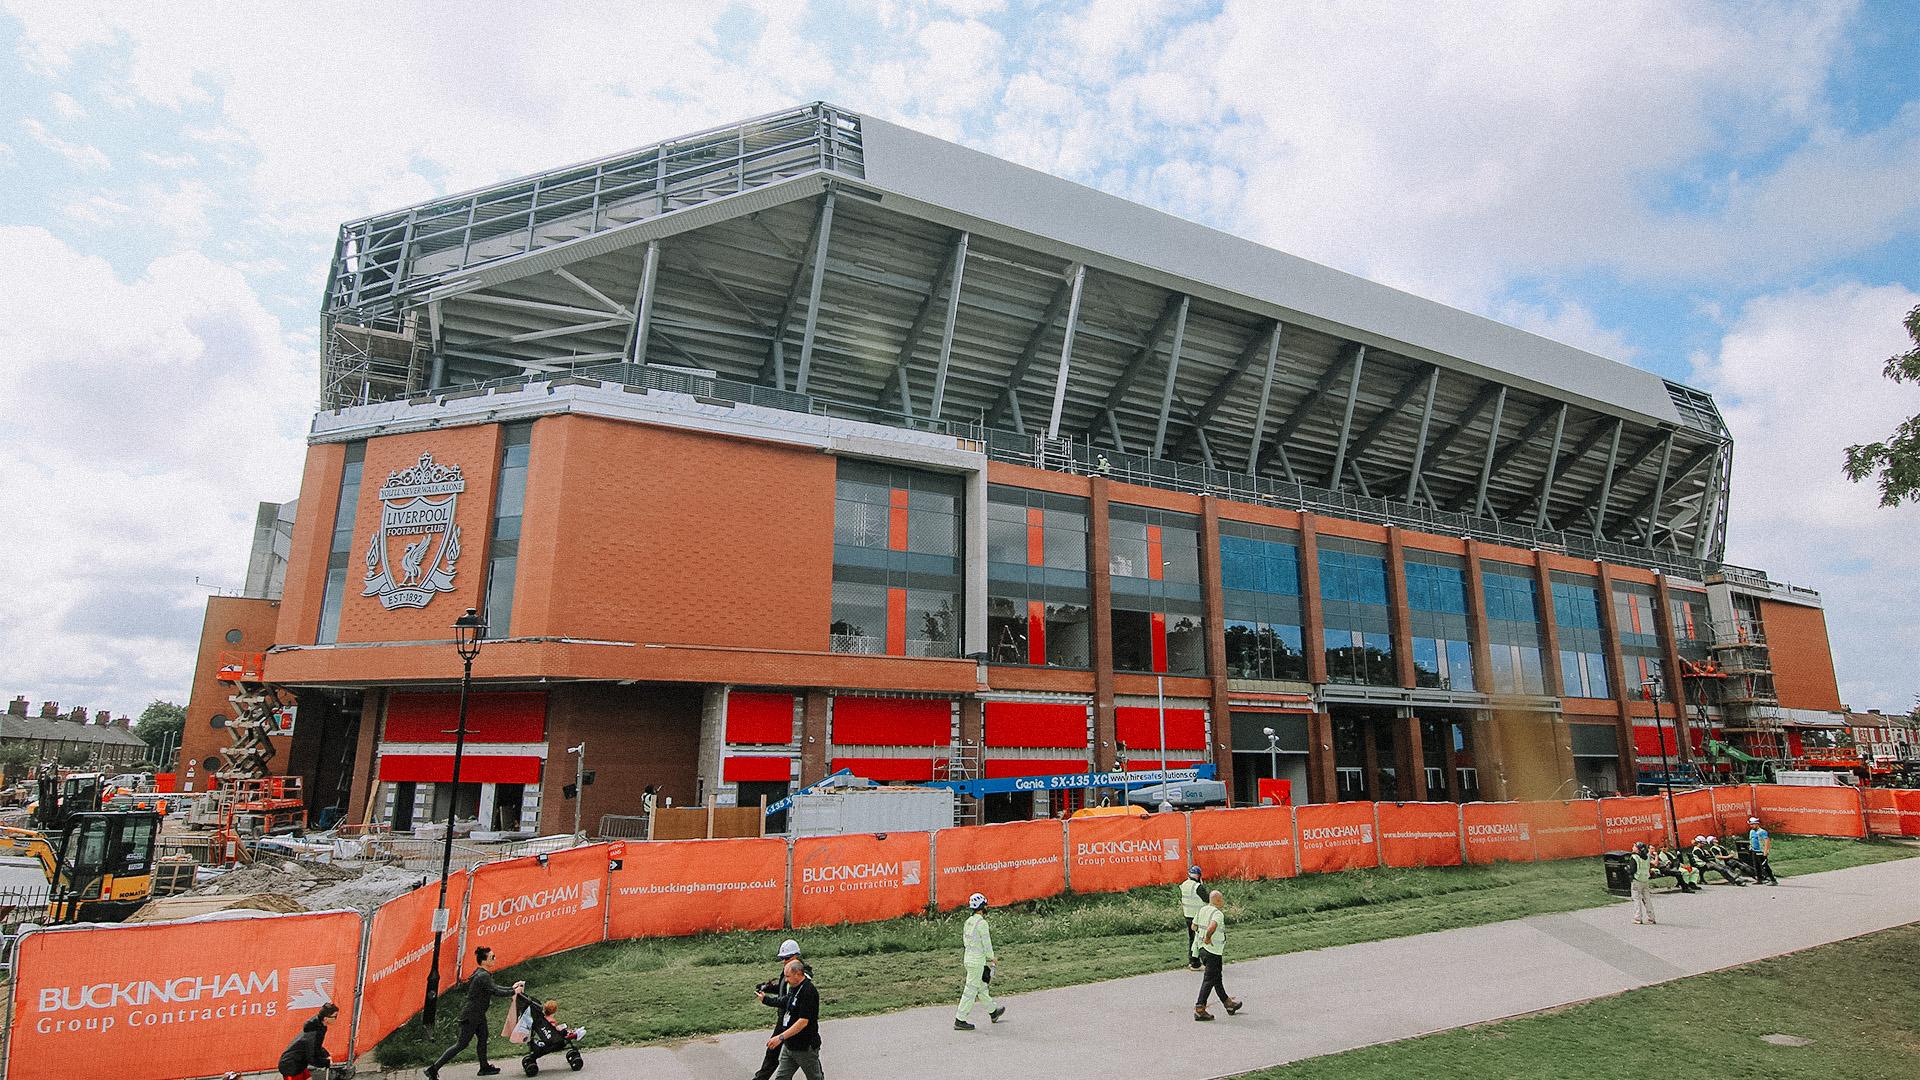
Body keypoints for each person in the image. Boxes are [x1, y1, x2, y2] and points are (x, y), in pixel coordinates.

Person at [426, 946, 525, 1079]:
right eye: (492, 957)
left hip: (478, 1014)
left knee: (483, 1038)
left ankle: (484, 1067)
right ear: (484, 961)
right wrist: (513, 991)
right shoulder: (483, 976)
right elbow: (496, 991)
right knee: (461, 1044)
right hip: (471, 1015)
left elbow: (493, 988)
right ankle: (433, 1069)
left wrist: (512, 988)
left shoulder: (482, 973)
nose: (494, 959)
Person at [753, 940, 812, 1080]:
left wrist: (767, 1000)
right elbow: (782, 988)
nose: (784, 961)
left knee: (806, 1056)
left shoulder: (801, 977)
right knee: (773, 1050)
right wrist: (767, 987)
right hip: (784, 1017)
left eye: (787, 958)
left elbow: (787, 999)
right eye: (782, 959)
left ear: (796, 956)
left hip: (794, 1019)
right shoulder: (788, 971)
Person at [953, 892, 1005, 1030]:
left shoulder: (968, 922)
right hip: (977, 962)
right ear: (982, 907)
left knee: (981, 987)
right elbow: (986, 943)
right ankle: (960, 1019)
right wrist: (992, 957)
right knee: (970, 990)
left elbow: (966, 941)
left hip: (968, 958)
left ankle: (993, 1011)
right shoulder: (982, 923)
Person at [768, 958, 823, 1080]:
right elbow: (785, 1002)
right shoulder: (793, 987)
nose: (786, 980)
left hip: (805, 1048)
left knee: (815, 1077)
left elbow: (803, 1022)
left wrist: (780, 1037)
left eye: (788, 976)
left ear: (798, 974)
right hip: (789, 1046)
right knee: (781, 1077)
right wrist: (766, 999)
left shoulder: (809, 991)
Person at [1191, 889, 1241, 1021]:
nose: (1223, 901)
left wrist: (1201, 935)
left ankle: (1228, 1003)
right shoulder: (1217, 914)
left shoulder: (1202, 910)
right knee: (1209, 979)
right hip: (1212, 950)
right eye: (1222, 899)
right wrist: (1208, 936)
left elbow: (1193, 926)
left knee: (1216, 977)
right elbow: (1212, 927)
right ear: (1218, 900)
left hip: (1202, 949)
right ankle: (1199, 1009)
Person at [277, 1002, 337, 1080]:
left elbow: (317, 1046)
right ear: (325, 1018)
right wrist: (325, 1062)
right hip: (291, 1067)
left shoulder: (320, 1026)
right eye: (335, 1016)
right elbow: (311, 1058)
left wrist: (326, 1054)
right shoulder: (314, 1033)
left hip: (300, 1063)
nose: (336, 1019)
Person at [1178, 865, 1206, 970]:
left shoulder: (1184, 885)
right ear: (1199, 876)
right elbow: (1207, 898)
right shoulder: (1197, 887)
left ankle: (1192, 961)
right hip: (1197, 917)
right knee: (1199, 939)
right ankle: (1195, 963)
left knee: (1192, 939)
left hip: (1187, 915)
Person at [1746, 817, 1780, 885]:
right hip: (1754, 851)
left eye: (1752, 824)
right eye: (1750, 824)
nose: (1751, 826)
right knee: (1756, 866)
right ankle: (1759, 879)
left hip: (1761, 851)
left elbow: (1767, 842)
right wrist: (1750, 847)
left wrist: (1765, 852)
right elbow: (1751, 840)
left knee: (1764, 866)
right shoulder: (1752, 831)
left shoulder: (1762, 832)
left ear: (1757, 824)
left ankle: (1773, 880)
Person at [1628, 842, 1656, 925]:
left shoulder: (1634, 857)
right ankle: (1651, 917)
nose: (1633, 847)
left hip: (1637, 880)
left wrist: (1628, 870)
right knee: (1647, 899)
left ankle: (1638, 918)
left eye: (1634, 846)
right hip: (1645, 879)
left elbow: (1633, 870)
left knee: (1636, 899)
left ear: (1638, 849)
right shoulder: (1647, 857)